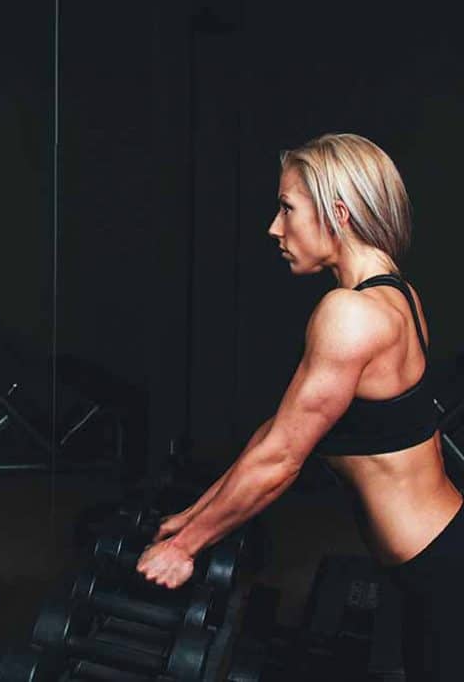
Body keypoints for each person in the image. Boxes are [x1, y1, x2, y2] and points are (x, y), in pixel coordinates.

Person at [136, 133, 462, 680]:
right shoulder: (397, 295)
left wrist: (185, 549)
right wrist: (192, 518)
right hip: (435, 558)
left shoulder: (350, 314)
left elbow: (284, 456)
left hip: (440, 570)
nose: (275, 227)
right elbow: (277, 433)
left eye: (288, 208)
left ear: (338, 212)